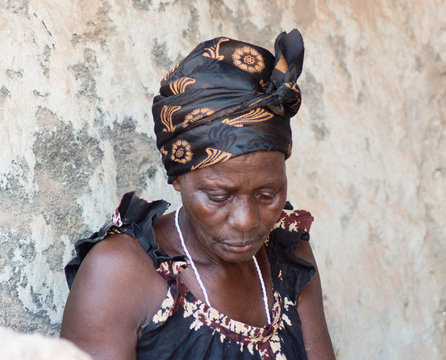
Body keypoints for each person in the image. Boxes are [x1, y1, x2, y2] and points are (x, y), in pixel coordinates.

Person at [61, 29, 335, 360]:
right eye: (219, 197)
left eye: (268, 194)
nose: (246, 221)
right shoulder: (121, 275)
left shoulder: (289, 253)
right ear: (178, 180)